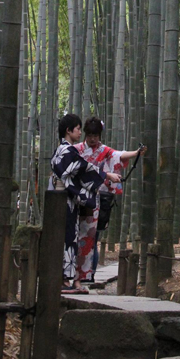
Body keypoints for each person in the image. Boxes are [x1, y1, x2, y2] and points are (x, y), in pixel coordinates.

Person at [50, 113, 121, 293]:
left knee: (72, 238)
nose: (80, 133)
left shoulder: (64, 150)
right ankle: (65, 281)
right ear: (68, 130)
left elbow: (84, 168)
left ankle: (73, 281)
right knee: (67, 239)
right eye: (78, 129)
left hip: (66, 200)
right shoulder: (68, 151)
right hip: (64, 200)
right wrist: (106, 176)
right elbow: (84, 169)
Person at [74, 116, 147, 286]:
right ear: (85, 134)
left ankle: (88, 274)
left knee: (92, 237)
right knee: (76, 236)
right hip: (78, 199)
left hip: (99, 201)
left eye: (96, 135)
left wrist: (136, 153)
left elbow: (119, 155)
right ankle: (76, 274)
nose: (92, 139)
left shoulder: (104, 151)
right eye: (90, 135)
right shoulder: (76, 150)